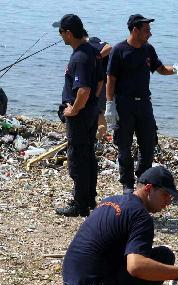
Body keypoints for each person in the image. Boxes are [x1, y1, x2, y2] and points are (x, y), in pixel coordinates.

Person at [105, 14, 178, 194]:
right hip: (124, 104)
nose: (150, 34)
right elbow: (110, 78)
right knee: (124, 146)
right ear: (135, 30)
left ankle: (142, 180)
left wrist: (176, 69)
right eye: (146, 30)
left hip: (144, 104)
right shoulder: (119, 50)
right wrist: (109, 104)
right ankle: (127, 184)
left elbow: (159, 69)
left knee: (148, 144)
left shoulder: (147, 49)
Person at [53, 14, 101, 217]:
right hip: (89, 112)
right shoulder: (93, 51)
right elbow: (99, 83)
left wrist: (73, 110)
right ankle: (89, 198)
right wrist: (91, 106)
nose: (60, 36)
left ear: (69, 33)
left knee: (77, 157)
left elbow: (84, 89)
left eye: (61, 32)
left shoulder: (80, 56)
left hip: (80, 114)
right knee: (88, 154)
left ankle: (79, 204)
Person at [85, 33, 112, 139]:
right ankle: (97, 133)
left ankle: (101, 135)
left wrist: (97, 58)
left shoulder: (92, 41)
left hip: (103, 82)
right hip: (92, 83)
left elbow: (109, 47)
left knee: (100, 110)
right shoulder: (81, 50)